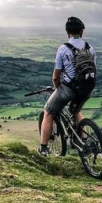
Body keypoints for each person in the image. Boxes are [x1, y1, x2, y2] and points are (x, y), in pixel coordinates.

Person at [38, 16, 96, 156]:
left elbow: (56, 75)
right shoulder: (90, 48)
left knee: (48, 112)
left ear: (67, 32)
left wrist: (57, 87)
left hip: (68, 89)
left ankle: (43, 148)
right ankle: (85, 142)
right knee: (76, 111)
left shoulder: (63, 49)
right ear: (81, 31)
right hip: (86, 89)